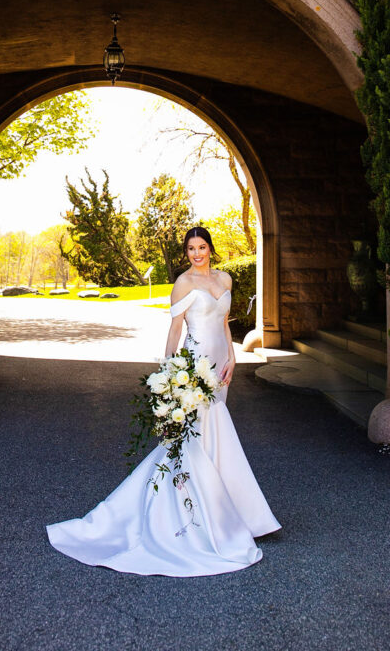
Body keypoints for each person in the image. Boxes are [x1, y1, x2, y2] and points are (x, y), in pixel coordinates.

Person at [46, 226, 281, 576]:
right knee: (197, 438)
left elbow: (225, 322)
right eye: (190, 249)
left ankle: (228, 511)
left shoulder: (226, 279)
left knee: (212, 440)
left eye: (202, 247)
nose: (197, 253)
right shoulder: (183, 284)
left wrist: (232, 357)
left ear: (211, 249)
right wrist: (170, 377)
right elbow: (175, 331)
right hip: (194, 367)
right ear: (185, 253)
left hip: (221, 368)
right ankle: (202, 520)